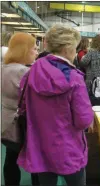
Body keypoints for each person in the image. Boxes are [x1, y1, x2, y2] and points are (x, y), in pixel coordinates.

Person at [17, 24, 94, 186]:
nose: (75, 52)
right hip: (69, 148)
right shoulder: (74, 78)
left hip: (40, 145)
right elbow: (83, 120)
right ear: (67, 48)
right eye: (74, 48)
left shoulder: (31, 73)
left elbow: (24, 105)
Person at [2, 32, 39, 186]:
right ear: (25, 50)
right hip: (24, 123)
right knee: (36, 160)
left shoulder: (3, 68)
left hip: (6, 121)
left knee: (11, 157)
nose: (37, 52)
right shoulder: (25, 72)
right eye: (34, 49)